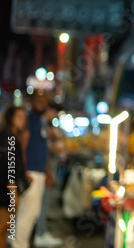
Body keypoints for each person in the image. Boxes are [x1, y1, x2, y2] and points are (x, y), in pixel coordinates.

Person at [11, 91, 60, 248]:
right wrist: (23, 172)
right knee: (27, 213)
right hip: (30, 172)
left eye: (44, 101)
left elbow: (42, 149)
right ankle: (19, 244)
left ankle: (20, 242)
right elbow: (22, 147)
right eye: (38, 101)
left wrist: (46, 172)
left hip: (38, 172)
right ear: (31, 102)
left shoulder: (40, 121)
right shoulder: (30, 120)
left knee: (33, 213)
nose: (42, 104)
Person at [34, 101, 63, 247]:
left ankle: (41, 232)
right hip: (42, 171)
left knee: (41, 204)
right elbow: (42, 151)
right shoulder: (40, 124)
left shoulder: (46, 125)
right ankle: (40, 234)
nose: (56, 116)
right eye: (55, 113)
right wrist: (48, 173)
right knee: (40, 205)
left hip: (44, 170)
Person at [0, 105, 30, 248]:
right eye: (19, 117)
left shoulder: (9, 137)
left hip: (5, 194)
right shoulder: (8, 139)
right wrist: (14, 195)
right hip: (4, 195)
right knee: (2, 229)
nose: (22, 121)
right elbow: (9, 170)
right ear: (10, 119)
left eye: (24, 118)